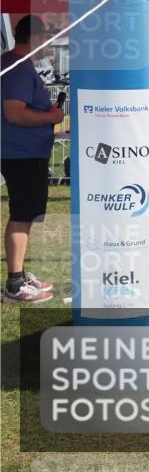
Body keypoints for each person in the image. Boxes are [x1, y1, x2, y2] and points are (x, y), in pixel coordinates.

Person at [1, 16, 61, 303]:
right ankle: (15, 284)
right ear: (36, 38)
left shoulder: (14, 64)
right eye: (48, 38)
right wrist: (52, 117)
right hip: (22, 153)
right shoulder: (19, 68)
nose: (50, 45)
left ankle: (20, 275)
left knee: (25, 214)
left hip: (22, 152)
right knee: (23, 215)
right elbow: (14, 113)